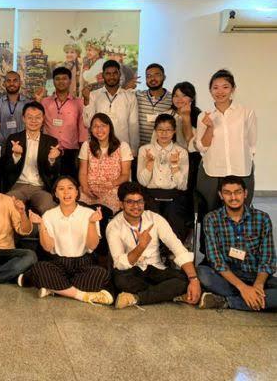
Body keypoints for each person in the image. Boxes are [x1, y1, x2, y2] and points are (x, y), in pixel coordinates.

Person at [106, 182, 201, 309]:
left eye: (140, 201)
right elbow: (119, 263)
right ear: (121, 204)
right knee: (120, 281)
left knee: (184, 280)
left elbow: (177, 247)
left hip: (155, 268)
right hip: (132, 271)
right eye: (130, 202)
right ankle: (165, 294)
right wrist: (141, 247)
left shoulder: (155, 218)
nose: (136, 206)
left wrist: (194, 280)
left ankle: (136, 298)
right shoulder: (114, 226)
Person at [27, 176, 113, 304]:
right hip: (58, 263)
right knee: (39, 268)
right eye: (61, 189)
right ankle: (81, 295)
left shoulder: (89, 213)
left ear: (77, 192)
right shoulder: (48, 215)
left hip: (83, 262)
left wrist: (91, 223)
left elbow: (92, 246)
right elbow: (48, 247)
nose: (66, 192)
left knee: (101, 274)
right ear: (56, 193)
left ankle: (55, 288)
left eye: (70, 188)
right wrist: (41, 224)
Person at [197, 176, 276, 311]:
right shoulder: (211, 219)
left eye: (238, 192)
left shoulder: (262, 218)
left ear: (245, 193)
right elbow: (216, 260)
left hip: (254, 273)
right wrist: (243, 288)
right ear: (221, 195)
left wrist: (258, 285)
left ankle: (227, 301)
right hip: (228, 275)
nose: (233, 197)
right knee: (202, 273)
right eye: (227, 193)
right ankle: (253, 298)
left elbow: (267, 259)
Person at [195, 69, 257, 212]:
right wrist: (210, 127)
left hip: (241, 170)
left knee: (241, 212)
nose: (220, 92)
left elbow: (252, 144)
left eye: (225, 87)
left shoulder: (246, 113)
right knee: (211, 212)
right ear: (210, 90)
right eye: (215, 87)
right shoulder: (204, 116)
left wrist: (244, 160)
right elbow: (202, 147)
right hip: (212, 172)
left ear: (233, 89)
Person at [137, 114, 191, 240]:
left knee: (174, 217)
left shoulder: (181, 152)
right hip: (150, 194)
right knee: (150, 218)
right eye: (160, 129)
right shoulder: (145, 150)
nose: (164, 133)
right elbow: (143, 182)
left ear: (174, 131)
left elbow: (182, 186)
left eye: (168, 130)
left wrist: (175, 166)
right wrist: (149, 164)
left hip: (173, 195)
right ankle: (151, 249)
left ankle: (172, 250)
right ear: (155, 131)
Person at [1, 101, 60, 215]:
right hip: (17, 186)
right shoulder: (14, 139)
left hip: (40, 188)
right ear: (23, 118)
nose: (34, 121)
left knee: (49, 207)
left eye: (38, 117)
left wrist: (52, 160)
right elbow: (6, 169)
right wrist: (16, 156)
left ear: (43, 119)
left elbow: (54, 172)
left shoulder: (51, 142)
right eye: (30, 117)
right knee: (6, 205)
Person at [39, 67, 88, 179]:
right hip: (48, 150)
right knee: (49, 182)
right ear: (53, 81)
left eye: (64, 78)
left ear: (70, 81)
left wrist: (83, 150)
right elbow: (37, 122)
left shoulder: (79, 103)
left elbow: (82, 128)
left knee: (69, 182)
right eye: (57, 79)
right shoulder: (44, 102)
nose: (61, 81)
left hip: (70, 152)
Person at [78, 113, 132, 213]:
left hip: (112, 189)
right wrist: (85, 188)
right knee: (80, 211)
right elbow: (83, 172)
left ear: (110, 127)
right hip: (89, 189)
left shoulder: (123, 146)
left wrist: (111, 184)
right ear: (91, 130)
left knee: (105, 213)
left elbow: (125, 175)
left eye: (103, 126)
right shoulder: (86, 145)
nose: (99, 129)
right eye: (95, 126)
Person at [83, 60, 139, 155]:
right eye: (108, 74)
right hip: (99, 149)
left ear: (119, 74)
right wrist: (86, 100)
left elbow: (133, 126)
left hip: (122, 149)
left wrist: (133, 151)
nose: (112, 77)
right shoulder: (93, 95)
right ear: (103, 75)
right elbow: (88, 123)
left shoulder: (130, 97)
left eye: (115, 73)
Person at [157, 82, 202, 194]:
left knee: (188, 190)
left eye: (184, 95)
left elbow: (191, 143)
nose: (179, 99)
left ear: (192, 98)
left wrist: (186, 117)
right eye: (176, 95)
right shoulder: (167, 114)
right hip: (169, 157)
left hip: (192, 159)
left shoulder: (198, 115)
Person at [135, 63, 172, 147]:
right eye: (149, 76)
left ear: (164, 77)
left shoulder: (172, 99)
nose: (152, 78)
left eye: (157, 75)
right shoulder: (137, 95)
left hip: (162, 148)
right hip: (139, 148)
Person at [0, 71, 29, 146]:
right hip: (3, 148)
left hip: (25, 146)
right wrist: (7, 146)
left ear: (20, 83)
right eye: (8, 81)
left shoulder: (28, 104)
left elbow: (32, 125)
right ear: (4, 84)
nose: (12, 83)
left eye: (15, 80)